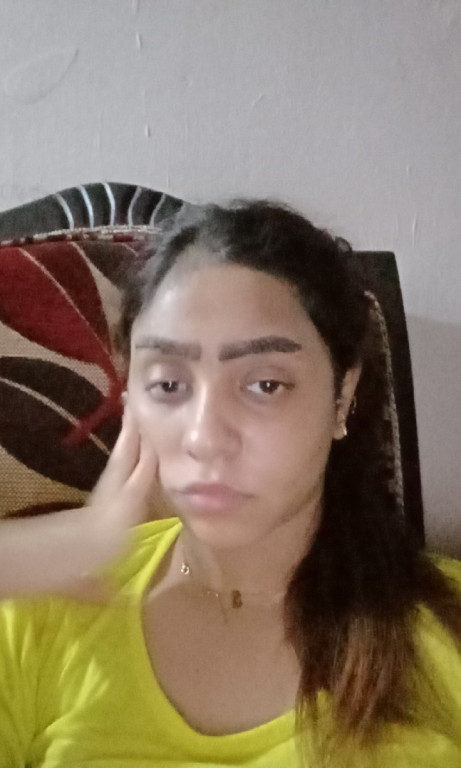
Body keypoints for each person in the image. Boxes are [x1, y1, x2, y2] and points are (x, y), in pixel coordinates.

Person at [0, 199, 460, 767]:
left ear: (342, 395)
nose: (204, 438)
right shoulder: (43, 606)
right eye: (169, 385)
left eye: (265, 384)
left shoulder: (443, 631)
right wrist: (60, 548)